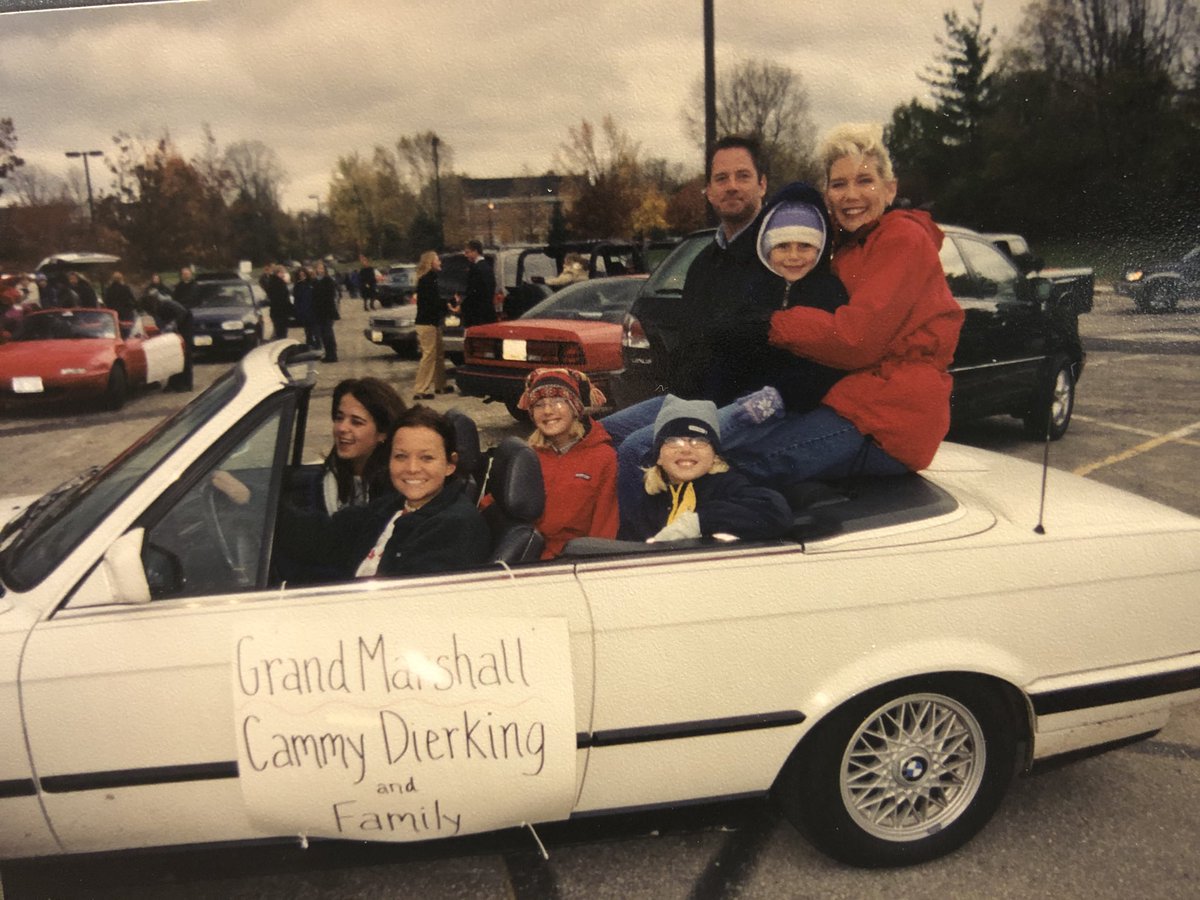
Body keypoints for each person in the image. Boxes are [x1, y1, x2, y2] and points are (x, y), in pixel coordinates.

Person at [726, 122, 965, 485]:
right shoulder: (846, 247)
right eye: (839, 184)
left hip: (890, 414)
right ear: (827, 194)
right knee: (736, 445)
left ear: (890, 189)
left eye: (864, 181)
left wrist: (772, 324)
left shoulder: (902, 239)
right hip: (858, 399)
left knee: (747, 464)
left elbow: (857, 339)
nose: (851, 194)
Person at [278, 405, 491, 579]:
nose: (412, 468)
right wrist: (254, 500)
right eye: (400, 456)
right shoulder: (392, 506)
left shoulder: (456, 526)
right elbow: (323, 536)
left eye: (427, 458)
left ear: (450, 464)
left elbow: (409, 605)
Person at [621, 396, 792, 543]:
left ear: (714, 455)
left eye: (699, 441)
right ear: (658, 457)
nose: (686, 449)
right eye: (673, 441)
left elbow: (775, 511)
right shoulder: (649, 502)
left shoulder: (726, 484)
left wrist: (698, 522)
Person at [515, 367, 619, 558]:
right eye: (538, 404)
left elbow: (605, 525)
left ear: (575, 408)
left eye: (558, 402)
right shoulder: (529, 454)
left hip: (570, 560)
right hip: (526, 551)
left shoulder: (603, 457)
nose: (547, 411)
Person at [412, 250, 452, 399]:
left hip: (433, 322)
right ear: (430, 262)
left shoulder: (432, 279)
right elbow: (432, 303)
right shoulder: (427, 280)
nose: (440, 262)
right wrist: (448, 305)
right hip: (426, 323)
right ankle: (420, 389)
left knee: (439, 354)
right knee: (428, 355)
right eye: (437, 260)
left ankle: (440, 385)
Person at [139, 286, 194, 391]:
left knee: (185, 353)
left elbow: (183, 312)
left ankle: (187, 384)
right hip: (175, 323)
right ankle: (173, 383)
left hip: (185, 322)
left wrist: (172, 325)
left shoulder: (166, 303)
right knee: (172, 353)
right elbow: (159, 323)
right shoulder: (155, 309)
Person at [459, 240, 496, 329]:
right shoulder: (486, 267)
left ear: (475, 251)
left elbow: (474, 291)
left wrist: (463, 305)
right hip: (485, 311)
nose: (466, 255)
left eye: (468, 252)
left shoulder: (478, 268)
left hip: (478, 314)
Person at [312, 260, 339, 362]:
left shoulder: (328, 280)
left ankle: (332, 355)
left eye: (322, 268)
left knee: (328, 334)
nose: (320, 270)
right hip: (319, 312)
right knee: (322, 334)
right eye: (318, 268)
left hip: (327, 311)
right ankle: (328, 354)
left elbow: (330, 296)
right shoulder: (314, 281)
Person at [291, 266, 319, 352]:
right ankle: (310, 344)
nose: (302, 276)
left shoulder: (311, 284)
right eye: (300, 275)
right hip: (303, 310)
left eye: (303, 274)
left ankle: (318, 344)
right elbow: (296, 300)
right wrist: (297, 311)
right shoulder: (297, 286)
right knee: (308, 330)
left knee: (315, 329)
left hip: (312, 309)